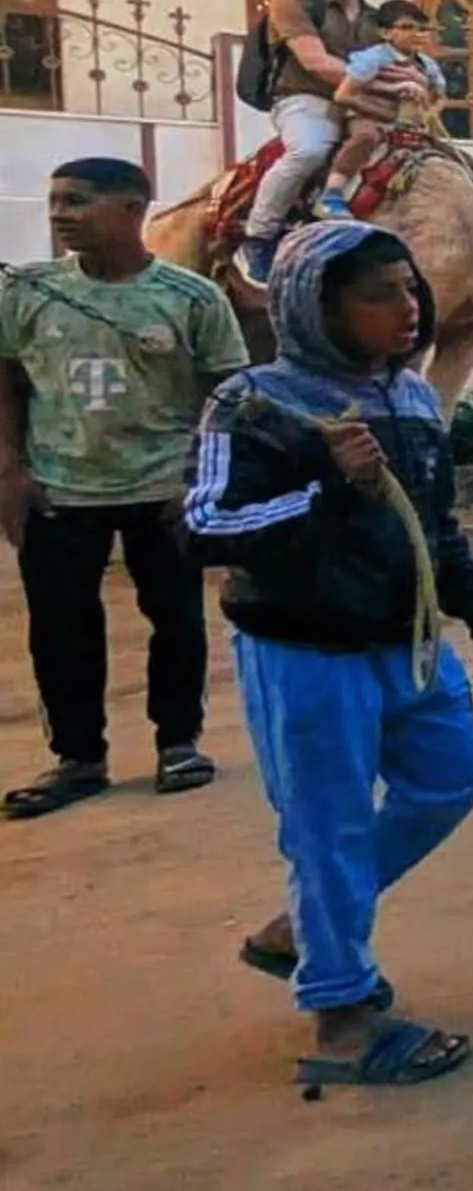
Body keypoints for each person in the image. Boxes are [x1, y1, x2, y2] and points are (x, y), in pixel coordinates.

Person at [183, 223, 473, 1090]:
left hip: (406, 641)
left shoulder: (407, 397)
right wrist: (325, 486)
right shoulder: (252, 404)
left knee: (452, 778)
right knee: (325, 827)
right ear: (315, 306)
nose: (407, 310)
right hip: (305, 649)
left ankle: (302, 927)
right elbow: (204, 528)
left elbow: (435, 522)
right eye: (379, 295)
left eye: (410, 290)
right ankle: (340, 1013)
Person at [0, 159, 250, 819]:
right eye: (55, 201)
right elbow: (8, 381)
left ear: (135, 207)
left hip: (162, 489)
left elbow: (228, 393)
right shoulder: (27, 293)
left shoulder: (191, 299)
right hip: (58, 488)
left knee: (176, 620)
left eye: (78, 201)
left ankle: (179, 746)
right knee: (59, 630)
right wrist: (10, 472)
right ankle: (79, 760)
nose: (60, 214)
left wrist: (199, 476)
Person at [241, 0, 381, 282]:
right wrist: (384, 84)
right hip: (306, 98)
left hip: (362, 103)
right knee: (308, 150)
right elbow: (315, 62)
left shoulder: (378, 19)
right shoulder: (293, 2)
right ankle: (259, 235)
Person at [319, 0, 449, 217]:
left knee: (450, 156)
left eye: (422, 29)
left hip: (409, 122)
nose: (416, 33)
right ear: (386, 33)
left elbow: (440, 97)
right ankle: (333, 192)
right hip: (369, 114)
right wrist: (391, 98)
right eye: (407, 27)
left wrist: (429, 114)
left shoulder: (428, 65)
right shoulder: (373, 58)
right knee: (366, 137)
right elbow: (344, 95)